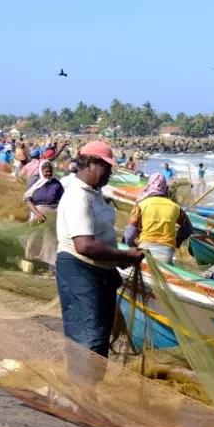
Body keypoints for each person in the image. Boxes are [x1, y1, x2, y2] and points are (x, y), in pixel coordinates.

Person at [55, 141, 144, 370]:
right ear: (89, 164)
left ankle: (90, 388)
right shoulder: (78, 196)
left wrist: (116, 258)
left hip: (100, 273)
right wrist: (125, 256)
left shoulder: (94, 194)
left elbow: (100, 237)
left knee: (100, 338)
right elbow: (84, 245)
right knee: (88, 340)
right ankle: (80, 389)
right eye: (106, 167)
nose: (110, 173)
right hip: (80, 271)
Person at [123, 172, 192, 265]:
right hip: (166, 253)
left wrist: (134, 247)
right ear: (165, 188)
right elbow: (188, 229)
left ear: (149, 185)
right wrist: (177, 243)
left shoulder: (141, 205)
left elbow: (128, 236)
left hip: (144, 252)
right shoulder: (175, 207)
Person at [22, 160, 65, 268]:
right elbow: (27, 199)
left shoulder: (56, 184)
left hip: (52, 215)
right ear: (41, 171)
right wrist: (37, 214)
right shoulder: (35, 183)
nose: (48, 174)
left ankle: (49, 263)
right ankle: (32, 260)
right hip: (37, 213)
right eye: (46, 172)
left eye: (50, 171)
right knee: (35, 236)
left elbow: (63, 200)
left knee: (50, 238)